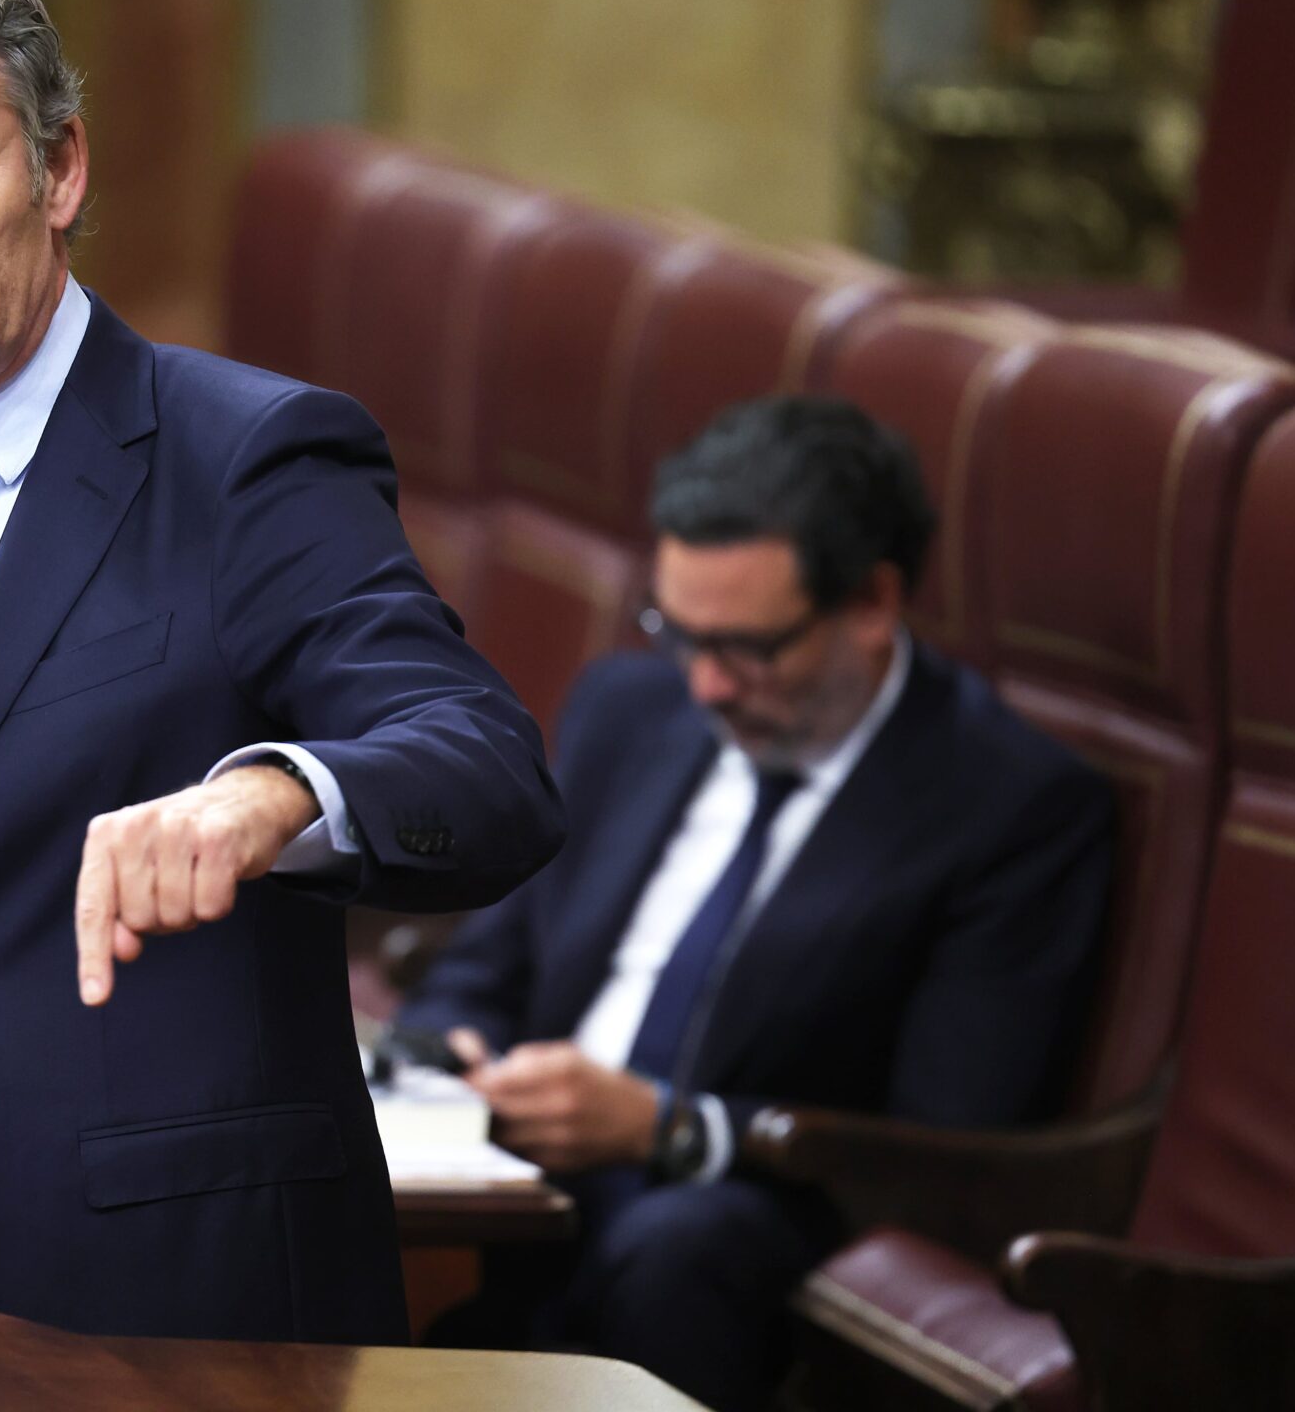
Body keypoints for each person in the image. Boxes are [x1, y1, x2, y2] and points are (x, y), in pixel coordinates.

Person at [0, 0, 563, 1344]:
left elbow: (489, 769)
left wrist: (271, 797)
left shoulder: (248, 458)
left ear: (62, 169)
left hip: (175, 1321)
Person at [397, 395, 1113, 1411]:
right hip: (521, 1176)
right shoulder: (625, 709)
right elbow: (487, 960)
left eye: (745, 648)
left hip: (752, 1210)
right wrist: (450, 1055)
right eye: (675, 632)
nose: (703, 685)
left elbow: (953, 1134)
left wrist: (668, 1127)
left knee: (679, 1243)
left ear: (870, 600)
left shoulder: (1008, 805)